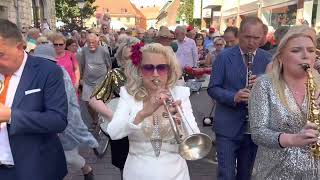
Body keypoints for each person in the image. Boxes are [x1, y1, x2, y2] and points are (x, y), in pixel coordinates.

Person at [107, 43, 200, 180]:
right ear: (139, 71)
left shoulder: (180, 93)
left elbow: (195, 138)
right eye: (148, 68)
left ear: (169, 71)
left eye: (162, 68)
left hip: (176, 173)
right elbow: (114, 132)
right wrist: (143, 113)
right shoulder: (128, 95)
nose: (155, 74)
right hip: (137, 173)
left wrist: (181, 120)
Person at [249, 25, 320, 179]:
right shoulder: (264, 85)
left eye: (311, 50)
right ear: (280, 57)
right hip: (274, 172)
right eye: (296, 50)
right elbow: (258, 133)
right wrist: (292, 139)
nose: (305, 56)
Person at [0, 19, 68, 180]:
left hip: (33, 168)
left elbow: (58, 120)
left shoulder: (48, 71)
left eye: (0, 54)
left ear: (19, 47)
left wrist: (11, 116)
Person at [207, 16, 272, 180]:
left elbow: (276, 91)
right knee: (226, 174)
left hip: (255, 128)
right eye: (247, 37)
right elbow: (213, 88)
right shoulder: (224, 56)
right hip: (228, 127)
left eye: (256, 38)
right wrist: (233, 97)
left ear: (263, 37)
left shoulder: (268, 59)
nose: (251, 42)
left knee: (246, 174)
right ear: (239, 35)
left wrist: (263, 85)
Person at [33, 44, 98, 180]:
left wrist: (58, 118)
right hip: (42, 122)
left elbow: (66, 99)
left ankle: (87, 168)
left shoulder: (59, 73)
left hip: (65, 120)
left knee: (69, 156)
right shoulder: (32, 74)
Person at [90, 37, 140, 179]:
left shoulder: (147, 73)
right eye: (125, 59)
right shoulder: (115, 74)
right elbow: (94, 100)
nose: (129, 63)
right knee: (124, 166)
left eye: (132, 58)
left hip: (142, 128)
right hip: (121, 129)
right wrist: (112, 116)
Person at [77, 33, 112, 130]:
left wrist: (108, 79)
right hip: (88, 82)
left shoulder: (104, 51)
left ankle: (103, 121)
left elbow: (109, 65)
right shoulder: (83, 51)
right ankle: (95, 120)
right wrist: (80, 79)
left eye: (93, 42)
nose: (91, 44)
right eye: (89, 42)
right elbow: (81, 65)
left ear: (97, 42)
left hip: (101, 81)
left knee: (102, 103)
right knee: (88, 104)